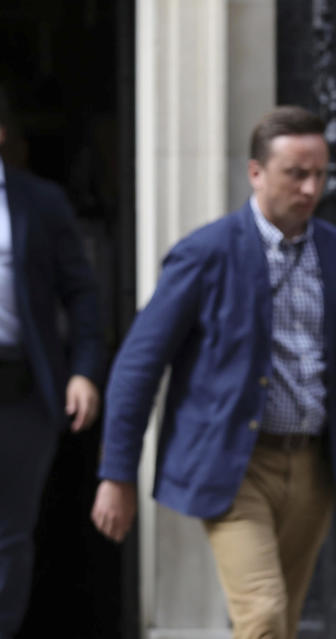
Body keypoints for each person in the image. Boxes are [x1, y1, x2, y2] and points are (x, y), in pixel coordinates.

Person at [91, 105, 336, 638]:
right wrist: (116, 473)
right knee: (263, 614)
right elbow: (140, 363)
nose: (310, 188)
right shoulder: (206, 253)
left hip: (314, 468)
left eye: (319, 174)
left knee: (281, 617)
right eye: (295, 174)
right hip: (235, 466)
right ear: (256, 172)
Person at [0, 86, 104, 638]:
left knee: (10, 535)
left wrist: (84, 370)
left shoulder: (40, 202)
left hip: (19, 391)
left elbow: (82, 293)